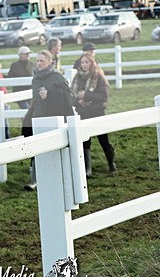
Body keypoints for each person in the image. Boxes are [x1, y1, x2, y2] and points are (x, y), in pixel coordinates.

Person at [23, 50, 75, 190]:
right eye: (37, 60)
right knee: (35, 149)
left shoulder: (57, 77)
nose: (38, 63)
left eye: (41, 61)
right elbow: (35, 101)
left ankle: (60, 179)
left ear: (49, 62)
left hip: (54, 119)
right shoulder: (35, 79)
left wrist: (50, 94)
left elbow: (69, 96)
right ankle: (34, 181)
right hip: (38, 117)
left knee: (55, 150)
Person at [71, 52, 116, 175]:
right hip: (83, 113)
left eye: (87, 62)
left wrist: (86, 95)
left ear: (92, 63)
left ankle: (111, 164)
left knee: (103, 140)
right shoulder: (77, 78)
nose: (84, 65)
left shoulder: (99, 77)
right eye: (82, 62)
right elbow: (72, 97)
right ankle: (87, 169)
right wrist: (79, 102)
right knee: (85, 141)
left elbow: (103, 96)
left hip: (97, 112)